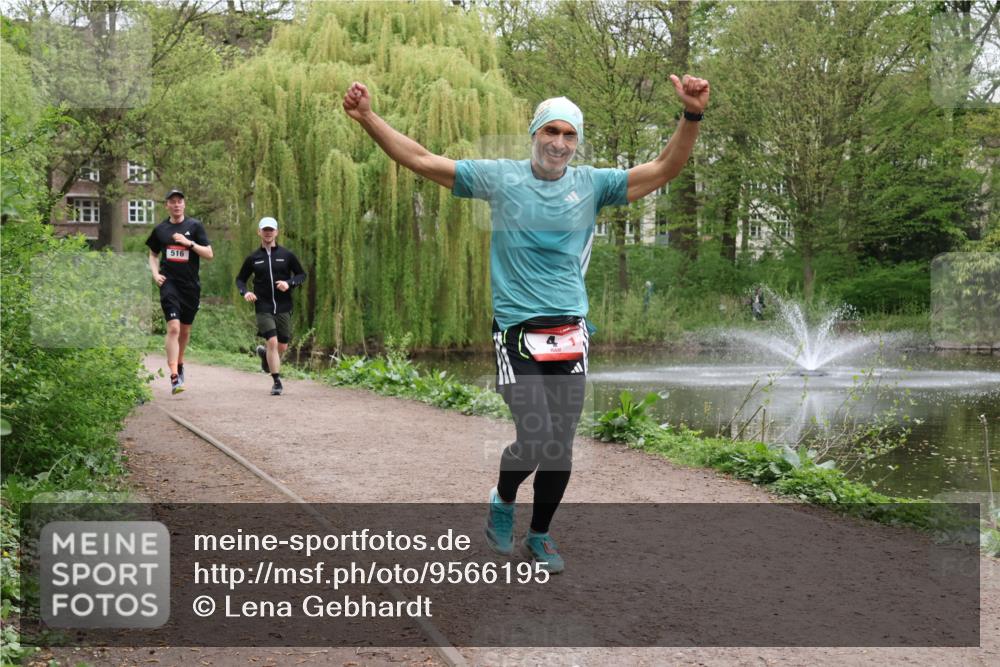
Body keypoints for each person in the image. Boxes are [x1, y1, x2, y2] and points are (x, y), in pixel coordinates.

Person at [343, 74, 709, 573]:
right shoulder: (500, 178)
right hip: (516, 329)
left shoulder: (594, 185)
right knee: (535, 436)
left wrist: (691, 115)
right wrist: (367, 117)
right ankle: (503, 497)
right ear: (534, 133)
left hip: (570, 331)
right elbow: (421, 158)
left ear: (577, 142)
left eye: (569, 135)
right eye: (550, 132)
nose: (559, 143)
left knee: (559, 445)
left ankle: (539, 536)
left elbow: (666, 168)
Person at [146, 189, 213, 395]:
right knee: (173, 328)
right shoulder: (161, 230)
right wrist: (155, 274)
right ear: (167, 205)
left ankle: (180, 362)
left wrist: (189, 243)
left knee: (184, 331)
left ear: (184, 205)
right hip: (169, 283)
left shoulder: (194, 226)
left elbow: (209, 254)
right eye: (172, 202)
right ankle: (174, 376)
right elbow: (153, 254)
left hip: (190, 286)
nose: (176, 205)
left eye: (179, 201)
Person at [235, 217, 307, 396]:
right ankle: (276, 381)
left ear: (277, 232)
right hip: (263, 306)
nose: (268, 233)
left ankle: (265, 356)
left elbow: (301, 275)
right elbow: (240, 279)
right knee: (272, 341)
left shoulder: (286, 255)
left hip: (283, 306)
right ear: (259, 232)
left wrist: (289, 283)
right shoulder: (253, 258)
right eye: (264, 230)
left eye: (271, 230)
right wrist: (246, 293)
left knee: (282, 346)